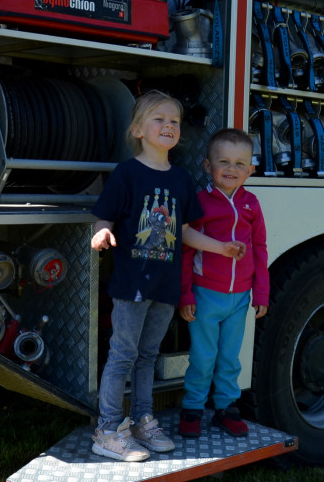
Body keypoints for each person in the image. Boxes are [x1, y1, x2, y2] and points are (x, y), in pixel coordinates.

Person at [90, 91, 246, 462]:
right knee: (122, 355)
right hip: (132, 285)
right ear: (138, 129)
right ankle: (108, 429)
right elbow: (104, 215)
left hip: (165, 286)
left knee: (148, 355)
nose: (169, 126)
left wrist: (218, 247)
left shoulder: (180, 179)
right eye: (159, 119)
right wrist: (101, 232)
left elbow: (186, 231)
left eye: (175, 121)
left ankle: (143, 420)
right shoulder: (127, 173)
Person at [178, 128, 269, 438]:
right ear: (208, 166)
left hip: (240, 297)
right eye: (224, 162)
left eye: (240, 164)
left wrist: (261, 292)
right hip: (206, 295)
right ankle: (192, 407)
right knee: (203, 356)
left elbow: (260, 249)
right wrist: (186, 294)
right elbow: (187, 251)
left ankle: (226, 408)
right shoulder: (201, 203)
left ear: (251, 169)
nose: (232, 170)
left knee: (230, 356)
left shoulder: (252, 204)